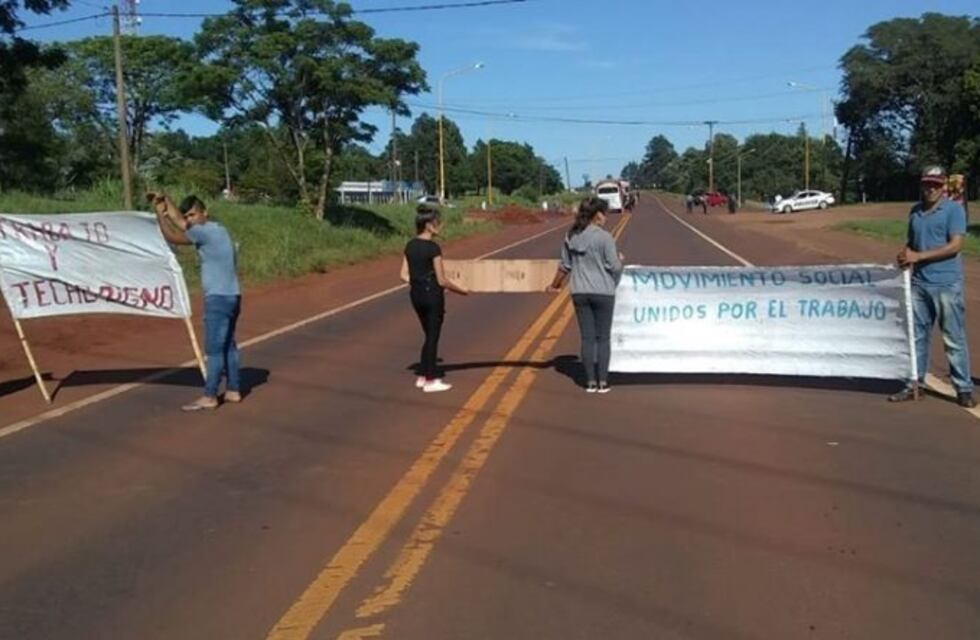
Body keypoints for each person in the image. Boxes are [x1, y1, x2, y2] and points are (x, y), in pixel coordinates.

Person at [889, 166, 975, 408]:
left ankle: (964, 388)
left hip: (946, 283)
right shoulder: (915, 212)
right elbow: (912, 242)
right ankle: (914, 383)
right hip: (919, 284)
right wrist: (906, 254)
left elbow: (955, 246)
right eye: (927, 184)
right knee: (916, 336)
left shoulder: (953, 210)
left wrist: (920, 256)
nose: (931, 189)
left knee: (954, 338)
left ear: (943, 186)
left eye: (936, 185)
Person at [149, 192, 243, 411]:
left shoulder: (204, 232)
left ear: (204, 213)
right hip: (232, 296)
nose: (190, 219)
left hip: (218, 299)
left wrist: (160, 217)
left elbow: (173, 237)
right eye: (188, 216)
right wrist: (166, 201)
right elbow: (181, 222)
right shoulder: (217, 230)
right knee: (229, 345)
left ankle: (210, 395)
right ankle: (233, 390)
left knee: (214, 349)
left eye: (193, 214)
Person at [548, 196, 624, 393]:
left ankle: (590, 382)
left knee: (587, 337)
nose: (606, 217)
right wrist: (620, 260)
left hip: (580, 292)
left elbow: (565, 266)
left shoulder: (572, 236)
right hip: (603, 292)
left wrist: (554, 285)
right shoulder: (605, 238)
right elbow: (613, 266)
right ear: (597, 215)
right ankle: (603, 382)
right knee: (603, 338)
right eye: (604, 213)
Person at [400, 205, 468, 393]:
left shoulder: (410, 245)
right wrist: (461, 291)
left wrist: (419, 282)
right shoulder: (433, 248)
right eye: (437, 223)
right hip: (432, 296)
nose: (440, 226)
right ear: (429, 226)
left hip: (416, 295)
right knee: (432, 337)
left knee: (428, 335)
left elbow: (403, 274)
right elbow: (442, 279)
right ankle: (430, 380)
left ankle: (422, 376)